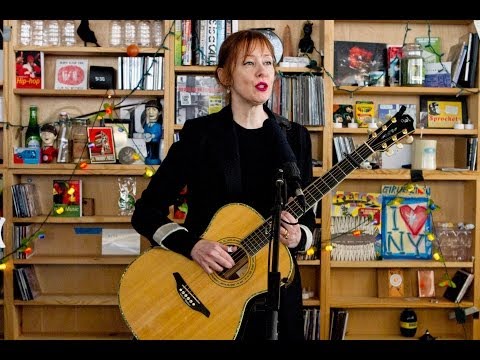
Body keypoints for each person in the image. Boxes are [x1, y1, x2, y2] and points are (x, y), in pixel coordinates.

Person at [131, 29, 315, 341]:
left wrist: (299, 235)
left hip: (276, 295)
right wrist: (193, 246)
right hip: (208, 290)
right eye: (248, 63)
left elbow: (308, 222)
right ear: (224, 76)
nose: (262, 71)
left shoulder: (295, 137)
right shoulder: (200, 135)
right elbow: (145, 213)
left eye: (268, 63)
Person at [143, 99, 163, 165]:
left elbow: (159, 133)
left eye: (154, 110)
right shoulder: (146, 125)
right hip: (147, 141)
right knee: (148, 149)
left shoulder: (158, 125)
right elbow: (145, 131)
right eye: (148, 109)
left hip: (155, 141)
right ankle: (149, 157)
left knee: (154, 151)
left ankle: (154, 158)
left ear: (159, 112)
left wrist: (153, 136)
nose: (150, 112)